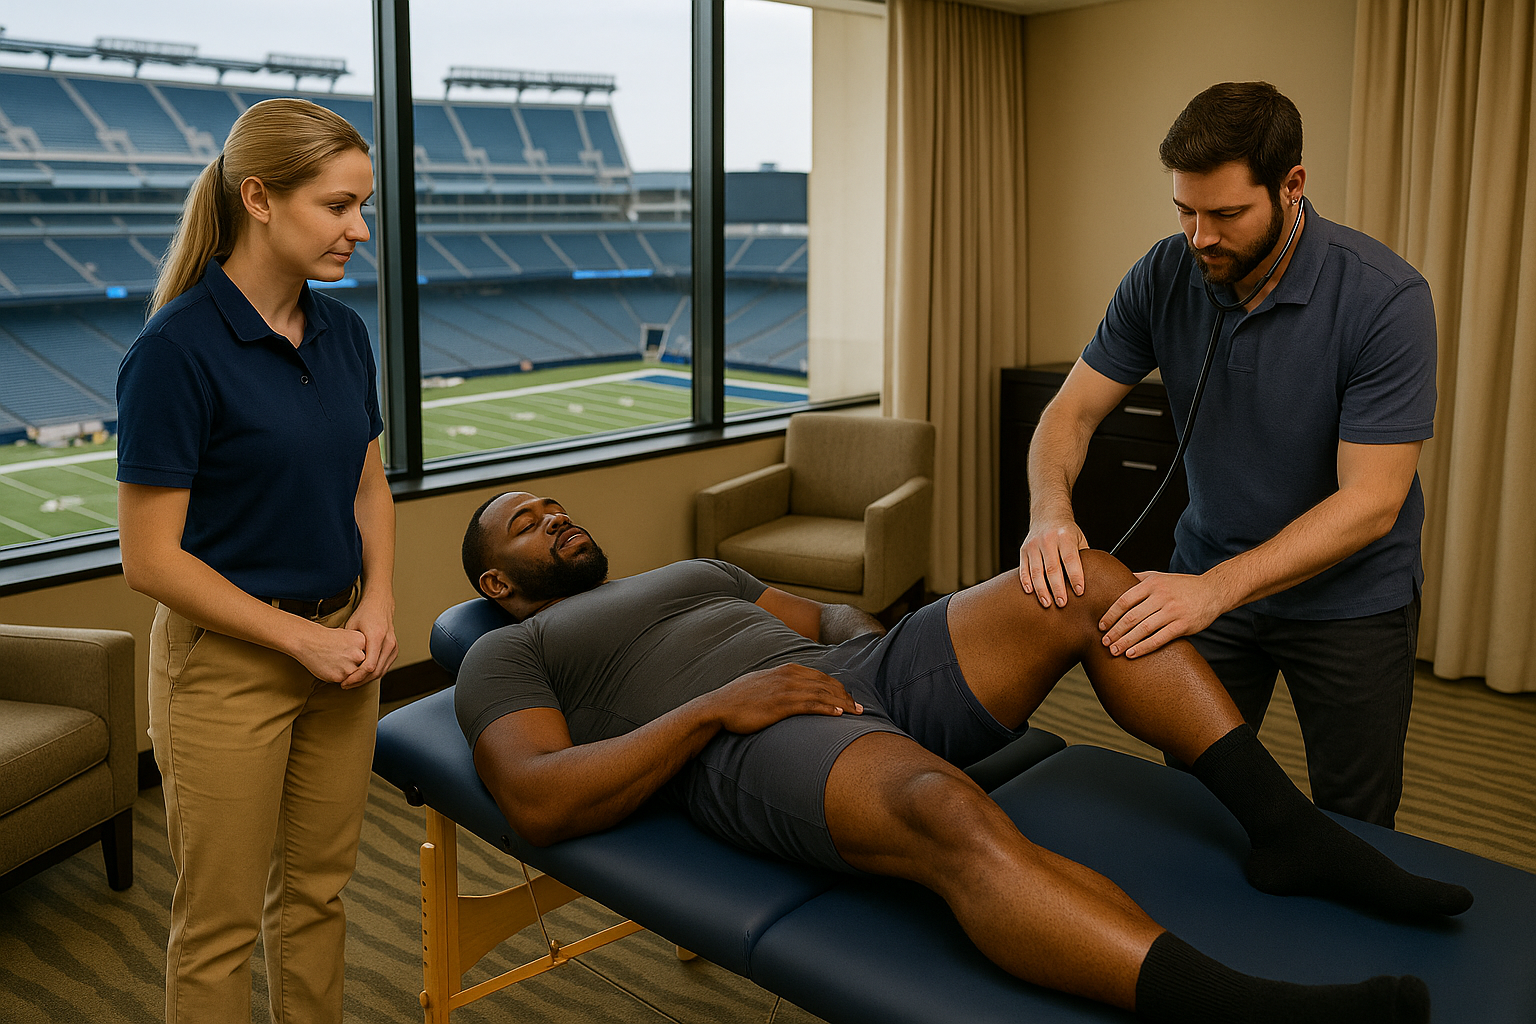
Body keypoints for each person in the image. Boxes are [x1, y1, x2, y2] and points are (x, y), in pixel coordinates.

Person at [455, 490, 1470, 1024]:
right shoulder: (508, 652)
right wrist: (721, 706)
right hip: (751, 732)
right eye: (526, 524)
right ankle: (1244, 1010)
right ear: (498, 583)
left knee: (1089, 580)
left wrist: (877, 643)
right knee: (945, 809)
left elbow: (825, 615)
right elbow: (538, 797)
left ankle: (1288, 831)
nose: (555, 518)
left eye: (554, 505)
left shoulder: (693, 570)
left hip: (858, 670)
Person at [1019, 82, 1435, 828]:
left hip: (1348, 602)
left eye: (1227, 215)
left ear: (1292, 185)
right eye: (1186, 211)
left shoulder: (1385, 298)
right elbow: (1070, 412)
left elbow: (1373, 502)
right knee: (1193, 800)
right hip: (1205, 579)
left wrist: (1215, 590)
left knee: (1356, 817)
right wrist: (1050, 512)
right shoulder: (1163, 273)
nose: (1201, 237)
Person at [116, 98, 398, 1023]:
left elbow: (368, 489)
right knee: (218, 926)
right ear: (259, 199)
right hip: (227, 670)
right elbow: (150, 561)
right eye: (338, 206)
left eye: (362, 207)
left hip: (342, 653)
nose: (359, 230)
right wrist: (298, 641)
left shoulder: (345, 332)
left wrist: (376, 605)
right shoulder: (173, 351)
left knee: (319, 897)